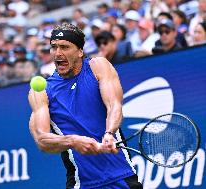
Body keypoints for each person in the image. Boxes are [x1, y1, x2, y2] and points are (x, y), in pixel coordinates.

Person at [28, 23, 142, 189]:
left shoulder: (98, 67)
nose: (58, 53)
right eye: (54, 47)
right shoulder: (42, 91)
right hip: (82, 183)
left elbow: (114, 106)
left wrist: (109, 133)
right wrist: (73, 141)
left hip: (122, 176)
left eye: (65, 47)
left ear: (80, 51)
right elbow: (42, 140)